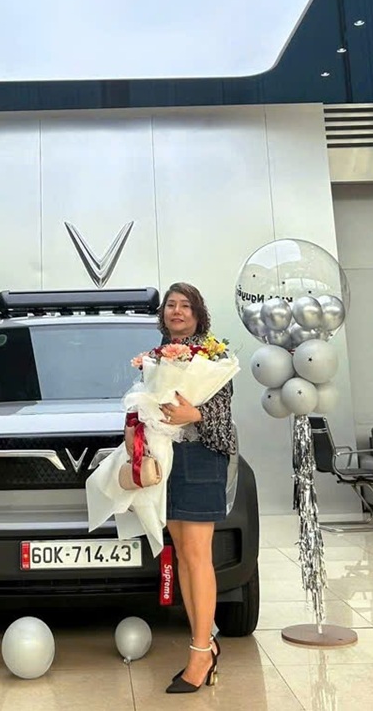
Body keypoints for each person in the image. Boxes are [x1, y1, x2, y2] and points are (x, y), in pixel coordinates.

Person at [156, 282, 236, 694]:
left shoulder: (214, 355)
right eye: (171, 305)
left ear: (198, 314)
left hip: (203, 457)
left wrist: (194, 413)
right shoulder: (156, 358)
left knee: (198, 555)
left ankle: (200, 653)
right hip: (168, 459)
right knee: (184, 556)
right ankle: (204, 643)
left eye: (185, 305)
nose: (177, 311)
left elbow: (222, 415)